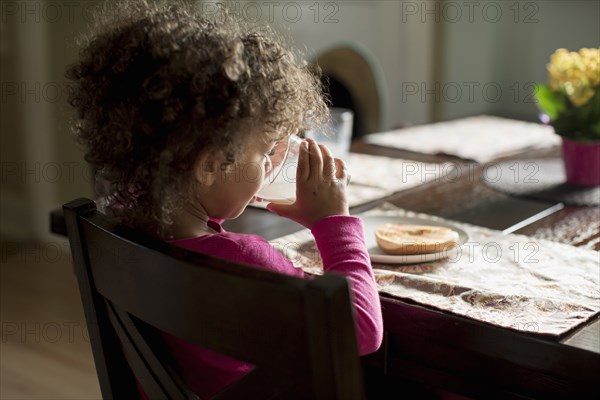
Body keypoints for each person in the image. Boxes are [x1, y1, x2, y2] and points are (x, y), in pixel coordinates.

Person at [66, 1, 383, 398]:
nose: (272, 163)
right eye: (267, 151)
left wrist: (248, 175)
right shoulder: (246, 263)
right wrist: (333, 221)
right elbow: (364, 331)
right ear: (210, 165)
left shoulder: (121, 217)